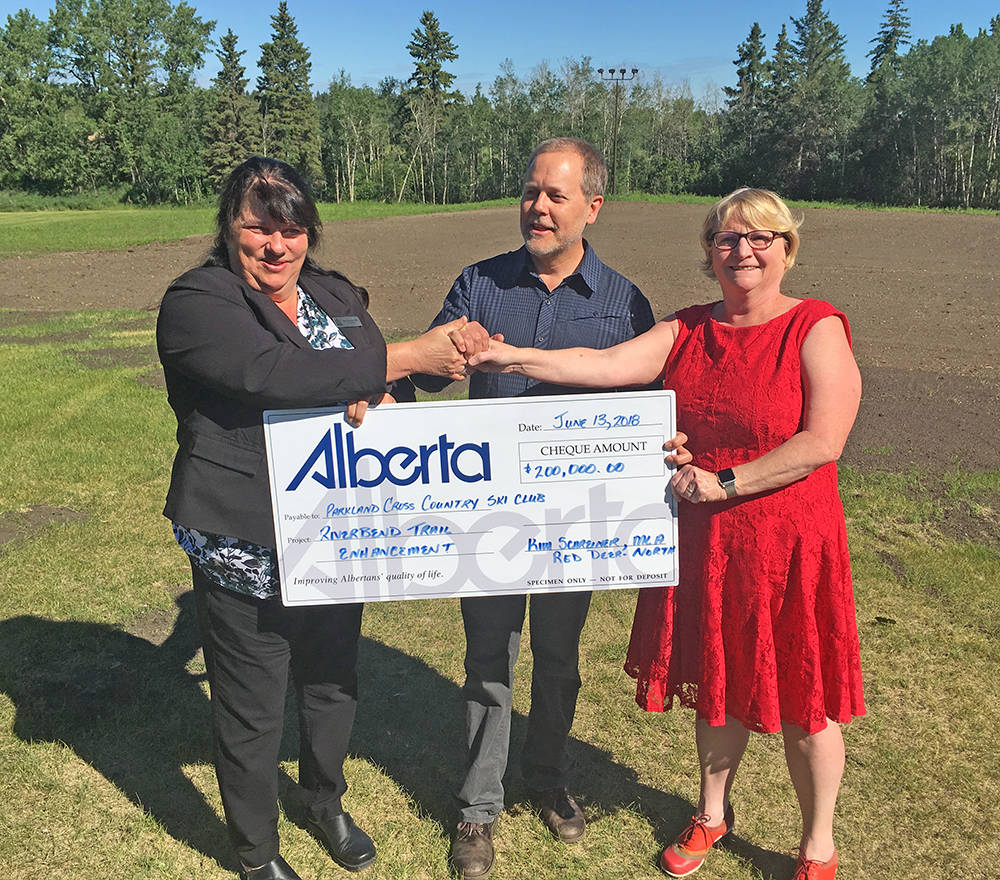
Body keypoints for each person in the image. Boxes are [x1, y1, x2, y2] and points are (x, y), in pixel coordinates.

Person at [468, 187, 864, 880]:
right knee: (716, 680)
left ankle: (817, 845)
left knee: (805, 697)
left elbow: (823, 441)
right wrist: (516, 359)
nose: (742, 251)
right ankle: (713, 813)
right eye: (726, 239)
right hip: (709, 543)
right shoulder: (688, 329)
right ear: (710, 253)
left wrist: (729, 480)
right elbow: (604, 365)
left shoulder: (816, 326)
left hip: (789, 543)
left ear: (786, 249)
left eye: (759, 238)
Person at [156, 156, 484, 880]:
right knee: (252, 704)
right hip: (244, 538)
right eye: (258, 227)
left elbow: (362, 377)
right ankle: (255, 852)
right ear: (228, 227)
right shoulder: (197, 303)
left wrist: (391, 395)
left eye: (293, 228)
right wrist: (395, 361)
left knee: (333, 680)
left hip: (339, 530)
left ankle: (323, 798)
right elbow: (277, 376)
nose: (277, 245)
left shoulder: (332, 295)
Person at [413, 137, 657, 879]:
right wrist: (380, 390)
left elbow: (644, 411)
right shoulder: (479, 285)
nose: (539, 207)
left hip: (572, 527)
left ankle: (546, 778)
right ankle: (478, 809)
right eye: (530, 192)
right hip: (487, 520)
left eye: (556, 195)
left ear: (593, 206)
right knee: (490, 658)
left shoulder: (624, 304)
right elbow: (426, 373)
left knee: (558, 661)